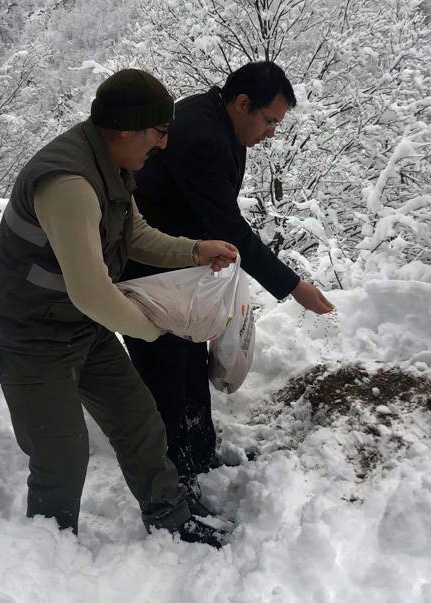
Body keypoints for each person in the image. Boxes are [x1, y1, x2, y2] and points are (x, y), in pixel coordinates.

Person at [0, 68, 238, 547]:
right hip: (26, 339)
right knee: (62, 454)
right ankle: (48, 553)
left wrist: (195, 250)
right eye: (159, 131)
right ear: (125, 129)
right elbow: (92, 293)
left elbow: (134, 234)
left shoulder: (111, 164)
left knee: (139, 421)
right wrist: (155, 329)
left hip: (77, 328)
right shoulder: (70, 184)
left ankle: (170, 517)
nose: (164, 143)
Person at [120, 61, 334, 509]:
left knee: (189, 365)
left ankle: (199, 458)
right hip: (149, 272)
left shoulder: (219, 121)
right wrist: (293, 286)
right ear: (242, 103)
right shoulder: (202, 137)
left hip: (182, 270)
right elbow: (231, 226)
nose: (271, 134)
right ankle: (173, 492)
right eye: (269, 121)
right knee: (167, 380)